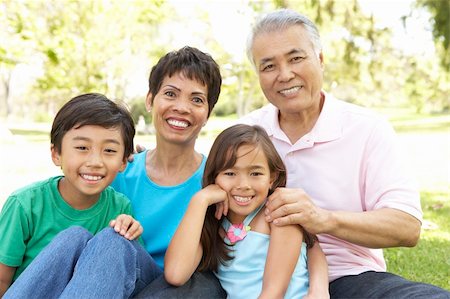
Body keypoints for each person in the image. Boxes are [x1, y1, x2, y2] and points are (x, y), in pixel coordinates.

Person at [239, 8, 450, 298]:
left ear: (320, 60)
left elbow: (407, 226)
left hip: (347, 277)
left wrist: (324, 219)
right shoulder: (246, 131)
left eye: (296, 58)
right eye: (269, 66)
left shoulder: (368, 129)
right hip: (250, 279)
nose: (285, 74)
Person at [0, 93, 162, 298]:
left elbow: (129, 274)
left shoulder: (119, 207)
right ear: (56, 154)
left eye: (109, 150)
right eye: (82, 148)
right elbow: (2, 280)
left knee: (114, 237)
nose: (95, 161)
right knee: (73, 237)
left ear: (123, 161)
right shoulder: (24, 205)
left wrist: (130, 234)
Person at [110, 46, 227, 298]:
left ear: (208, 113)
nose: (182, 107)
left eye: (197, 99)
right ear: (150, 100)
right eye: (171, 94)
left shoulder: (215, 182)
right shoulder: (120, 171)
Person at [165, 124, 329, 299]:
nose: (243, 185)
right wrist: (199, 200)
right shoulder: (213, 223)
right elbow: (176, 274)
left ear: (272, 178)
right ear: (214, 177)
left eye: (255, 173)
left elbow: (273, 293)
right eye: (230, 173)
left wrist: (319, 289)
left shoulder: (278, 215)